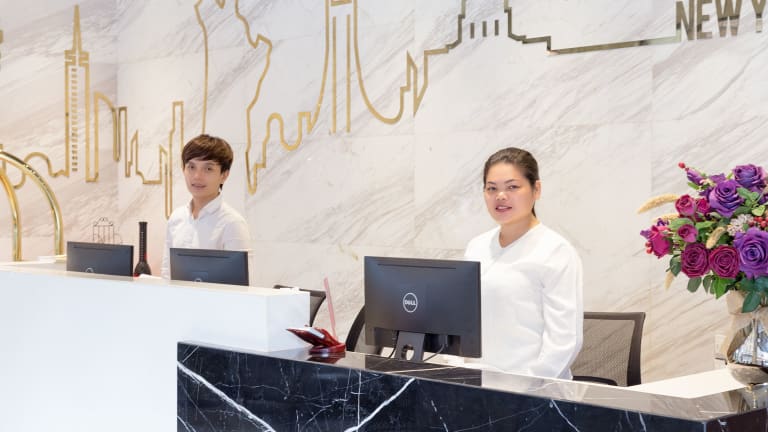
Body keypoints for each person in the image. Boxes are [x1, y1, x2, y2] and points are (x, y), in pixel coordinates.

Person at [463, 147, 583, 379]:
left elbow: (565, 342)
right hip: (477, 384)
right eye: (492, 188)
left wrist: (525, 388)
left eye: (512, 187)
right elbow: (465, 324)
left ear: (536, 189)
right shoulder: (476, 247)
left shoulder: (556, 251)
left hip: (535, 388)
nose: (500, 196)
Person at [160, 134, 251, 279]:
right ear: (183, 169)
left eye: (208, 169)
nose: (197, 176)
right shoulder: (176, 217)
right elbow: (167, 274)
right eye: (191, 167)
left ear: (224, 175)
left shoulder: (232, 223)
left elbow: (242, 284)